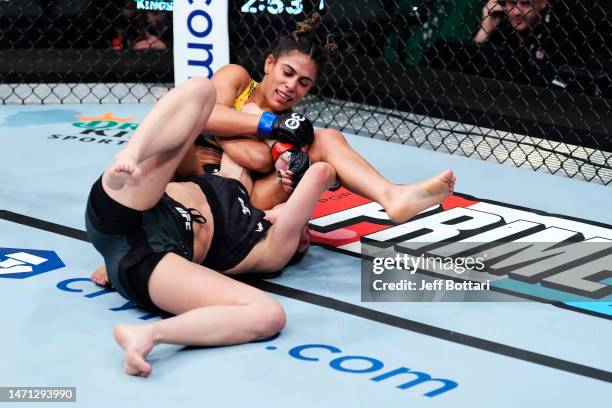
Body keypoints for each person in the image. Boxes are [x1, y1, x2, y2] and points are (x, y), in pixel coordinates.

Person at [91, 13, 457, 285]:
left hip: (238, 201)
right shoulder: (237, 79)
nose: (291, 87)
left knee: (327, 140)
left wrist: (289, 190)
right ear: (269, 64)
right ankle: (129, 250)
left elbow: (254, 164)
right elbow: (204, 117)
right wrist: (266, 126)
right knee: (179, 127)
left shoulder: (296, 130)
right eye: (286, 73)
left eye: (303, 83)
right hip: (188, 178)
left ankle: (391, 195)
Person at [86, 77, 344, 376]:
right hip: (132, 204)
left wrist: (300, 181)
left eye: (305, 232)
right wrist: (278, 145)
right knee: (201, 89)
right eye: (308, 229)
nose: (306, 232)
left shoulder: (269, 246)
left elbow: (321, 173)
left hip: (148, 259)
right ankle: (132, 152)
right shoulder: (237, 189)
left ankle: (149, 336)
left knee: (269, 314)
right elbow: (246, 112)